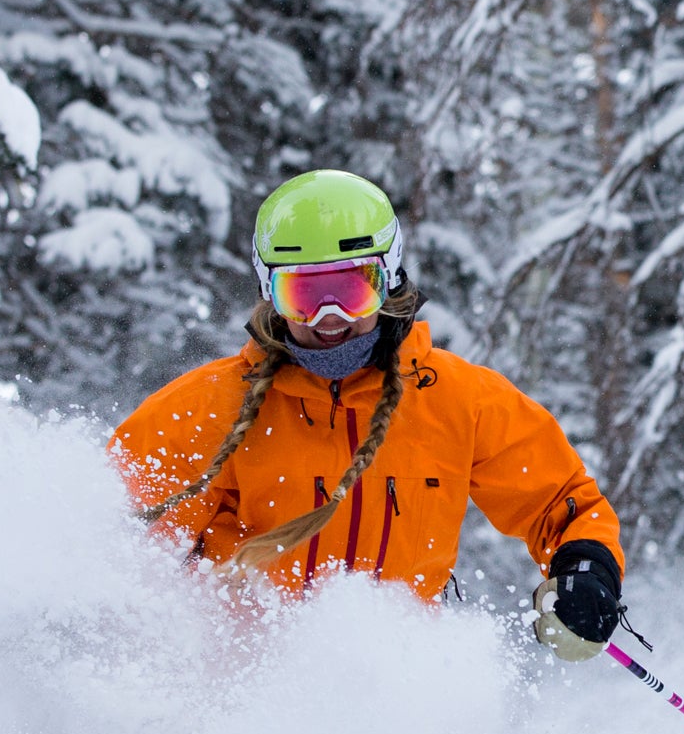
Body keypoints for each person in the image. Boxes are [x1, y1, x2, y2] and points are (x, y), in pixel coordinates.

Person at [110, 170, 626, 661]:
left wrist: (586, 570)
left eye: (352, 290)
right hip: (242, 690)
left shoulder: (457, 400)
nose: (327, 319)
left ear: (389, 280)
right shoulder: (210, 408)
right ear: (270, 293)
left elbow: (562, 502)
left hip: (390, 691)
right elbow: (117, 534)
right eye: (303, 294)